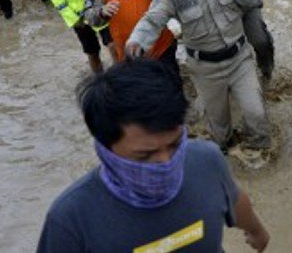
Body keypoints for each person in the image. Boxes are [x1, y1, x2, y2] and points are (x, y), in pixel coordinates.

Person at [36, 60, 270, 253]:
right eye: (144, 155)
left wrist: (257, 230)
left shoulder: (206, 160)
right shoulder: (70, 219)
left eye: (175, 144)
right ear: (106, 148)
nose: (165, 162)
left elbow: (234, 200)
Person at [127, 0, 272, 151]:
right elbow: (152, 19)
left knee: (256, 113)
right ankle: (224, 151)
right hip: (206, 69)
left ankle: (261, 151)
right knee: (219, 126)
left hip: (239, 60)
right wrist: (136, 41)